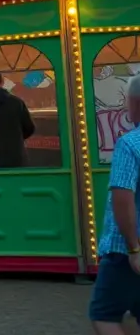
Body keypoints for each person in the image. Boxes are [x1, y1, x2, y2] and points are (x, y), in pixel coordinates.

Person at [89, 74, 140, 334]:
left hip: (125, 251)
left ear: (134, 103)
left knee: (104, 314)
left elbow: (123, 195)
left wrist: (134, 248)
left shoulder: (130, 143)